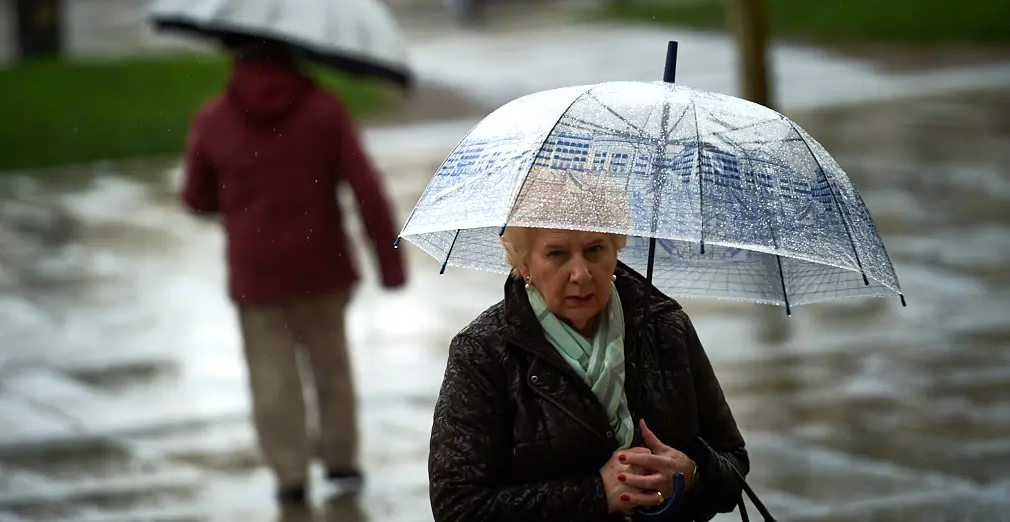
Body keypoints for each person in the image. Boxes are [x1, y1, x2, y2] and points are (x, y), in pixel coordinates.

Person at [179, 39, 406, 504]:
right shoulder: (323, 109)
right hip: (322, 266)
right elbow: (366, 187)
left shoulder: (214, 119)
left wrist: (240, 195)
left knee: (271, 378)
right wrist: (389, 261)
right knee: (332, 368)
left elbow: (196, 198)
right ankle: (341, 461)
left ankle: (290, 475)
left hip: (256, 274)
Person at [427, 216, 749, 520]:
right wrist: (597, 493)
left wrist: (690, 473)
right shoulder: (483, 352)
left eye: (595, 249)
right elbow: (458, 508)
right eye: (557, 254)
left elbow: (732, 462)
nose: (580, 273)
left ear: (615, 250)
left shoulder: (665, 328)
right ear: (525, 264)